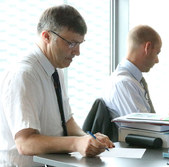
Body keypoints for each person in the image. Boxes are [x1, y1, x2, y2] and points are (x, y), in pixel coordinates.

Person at [0, 5, 114, 167]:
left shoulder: (55, 69)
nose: (77, 52)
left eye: (80, 43)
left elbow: (66, 122)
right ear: (46, 36)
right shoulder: (24, 74)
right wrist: (76, 143)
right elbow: (25, 143)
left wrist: (90, 140)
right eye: (71, 43)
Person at [102, 25, 162, 119]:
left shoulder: (133, 80)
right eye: (157, 53)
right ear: (148, 47)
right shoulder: (124, 83)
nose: (157, 60)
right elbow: (143, 128)